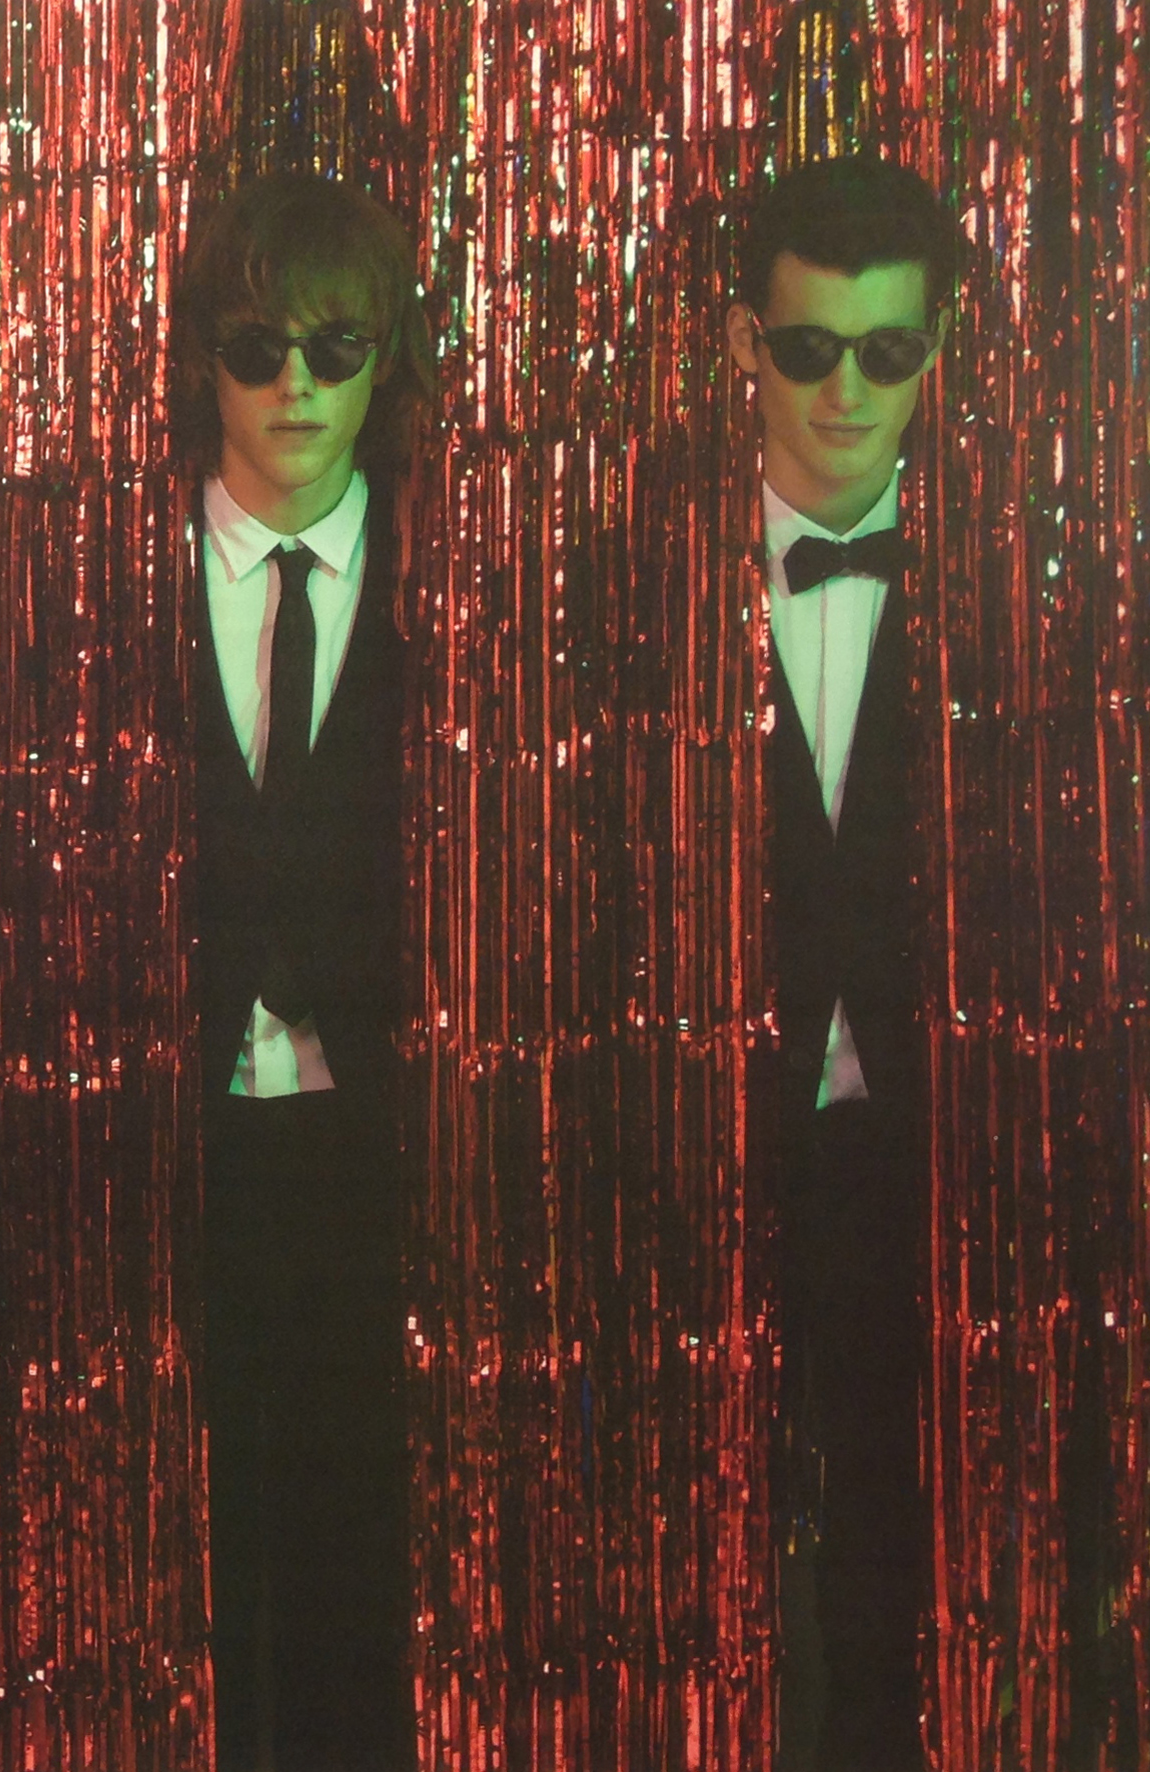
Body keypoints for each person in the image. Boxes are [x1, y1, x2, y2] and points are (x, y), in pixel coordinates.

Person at [165, 171, 433, 1771]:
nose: (294, 388)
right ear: (202, 358)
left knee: (356, 1569)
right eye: (255, 347)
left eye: (335, 348)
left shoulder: (456, 584)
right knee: (185, 1572)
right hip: (161, 1149)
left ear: (382, 360)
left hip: (374, 1155)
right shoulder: (97, 577)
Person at [724, 152, 957, 1772]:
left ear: (930, 354)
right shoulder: (618, 588)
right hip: (702, 1150)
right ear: (745, 343)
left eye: (886, 351)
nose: (847, 391)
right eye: (810, 348)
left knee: (902, 1550)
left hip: (923, 1161)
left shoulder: (1011, 599)